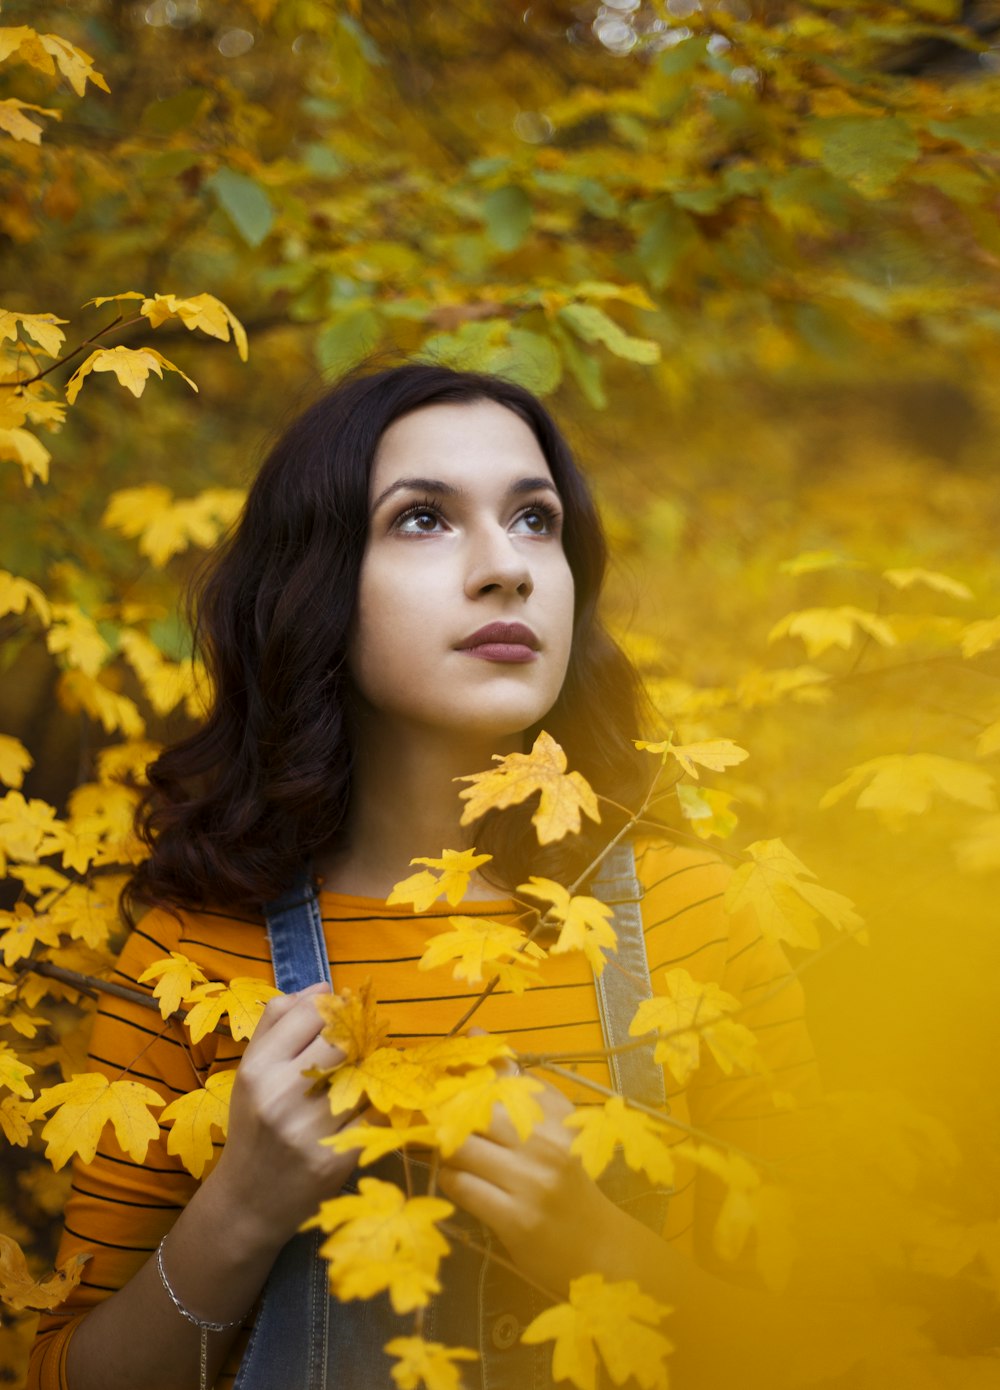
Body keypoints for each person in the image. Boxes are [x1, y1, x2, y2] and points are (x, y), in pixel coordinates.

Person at [28, 363, 823, 1390]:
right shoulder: (196, 948)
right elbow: (62, 1374)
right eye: (423, 520)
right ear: (313, 584)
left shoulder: (694, 916)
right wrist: (239, 1211)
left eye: (536, 520)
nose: (507, 569)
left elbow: (830, 1337)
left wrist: (599, 1246)